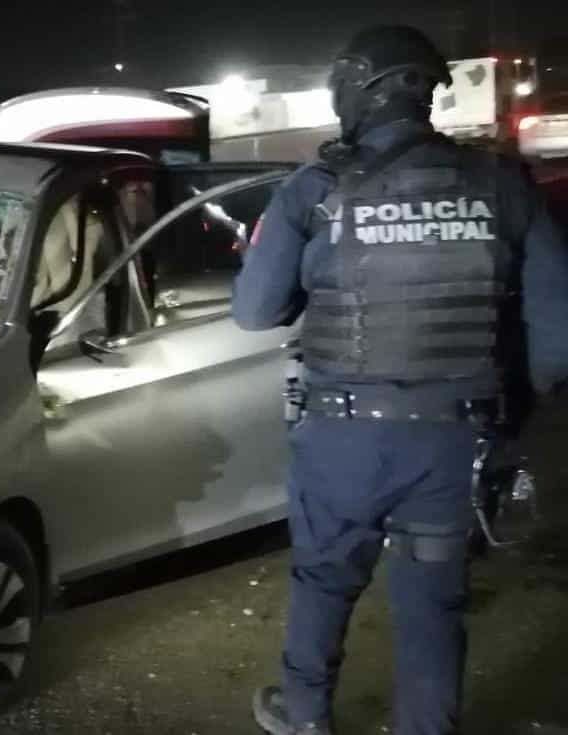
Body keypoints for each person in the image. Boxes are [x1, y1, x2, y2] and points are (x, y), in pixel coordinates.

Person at [233, 25, 568, 735]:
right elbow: (557, 341)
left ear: (359, 86)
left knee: (323, 580)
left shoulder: (316, 187)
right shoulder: (502, 183)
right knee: (432, 603)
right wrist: (506, 425)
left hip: (341, 440)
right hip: (452, 441)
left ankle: (304, 715)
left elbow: (254, 311)